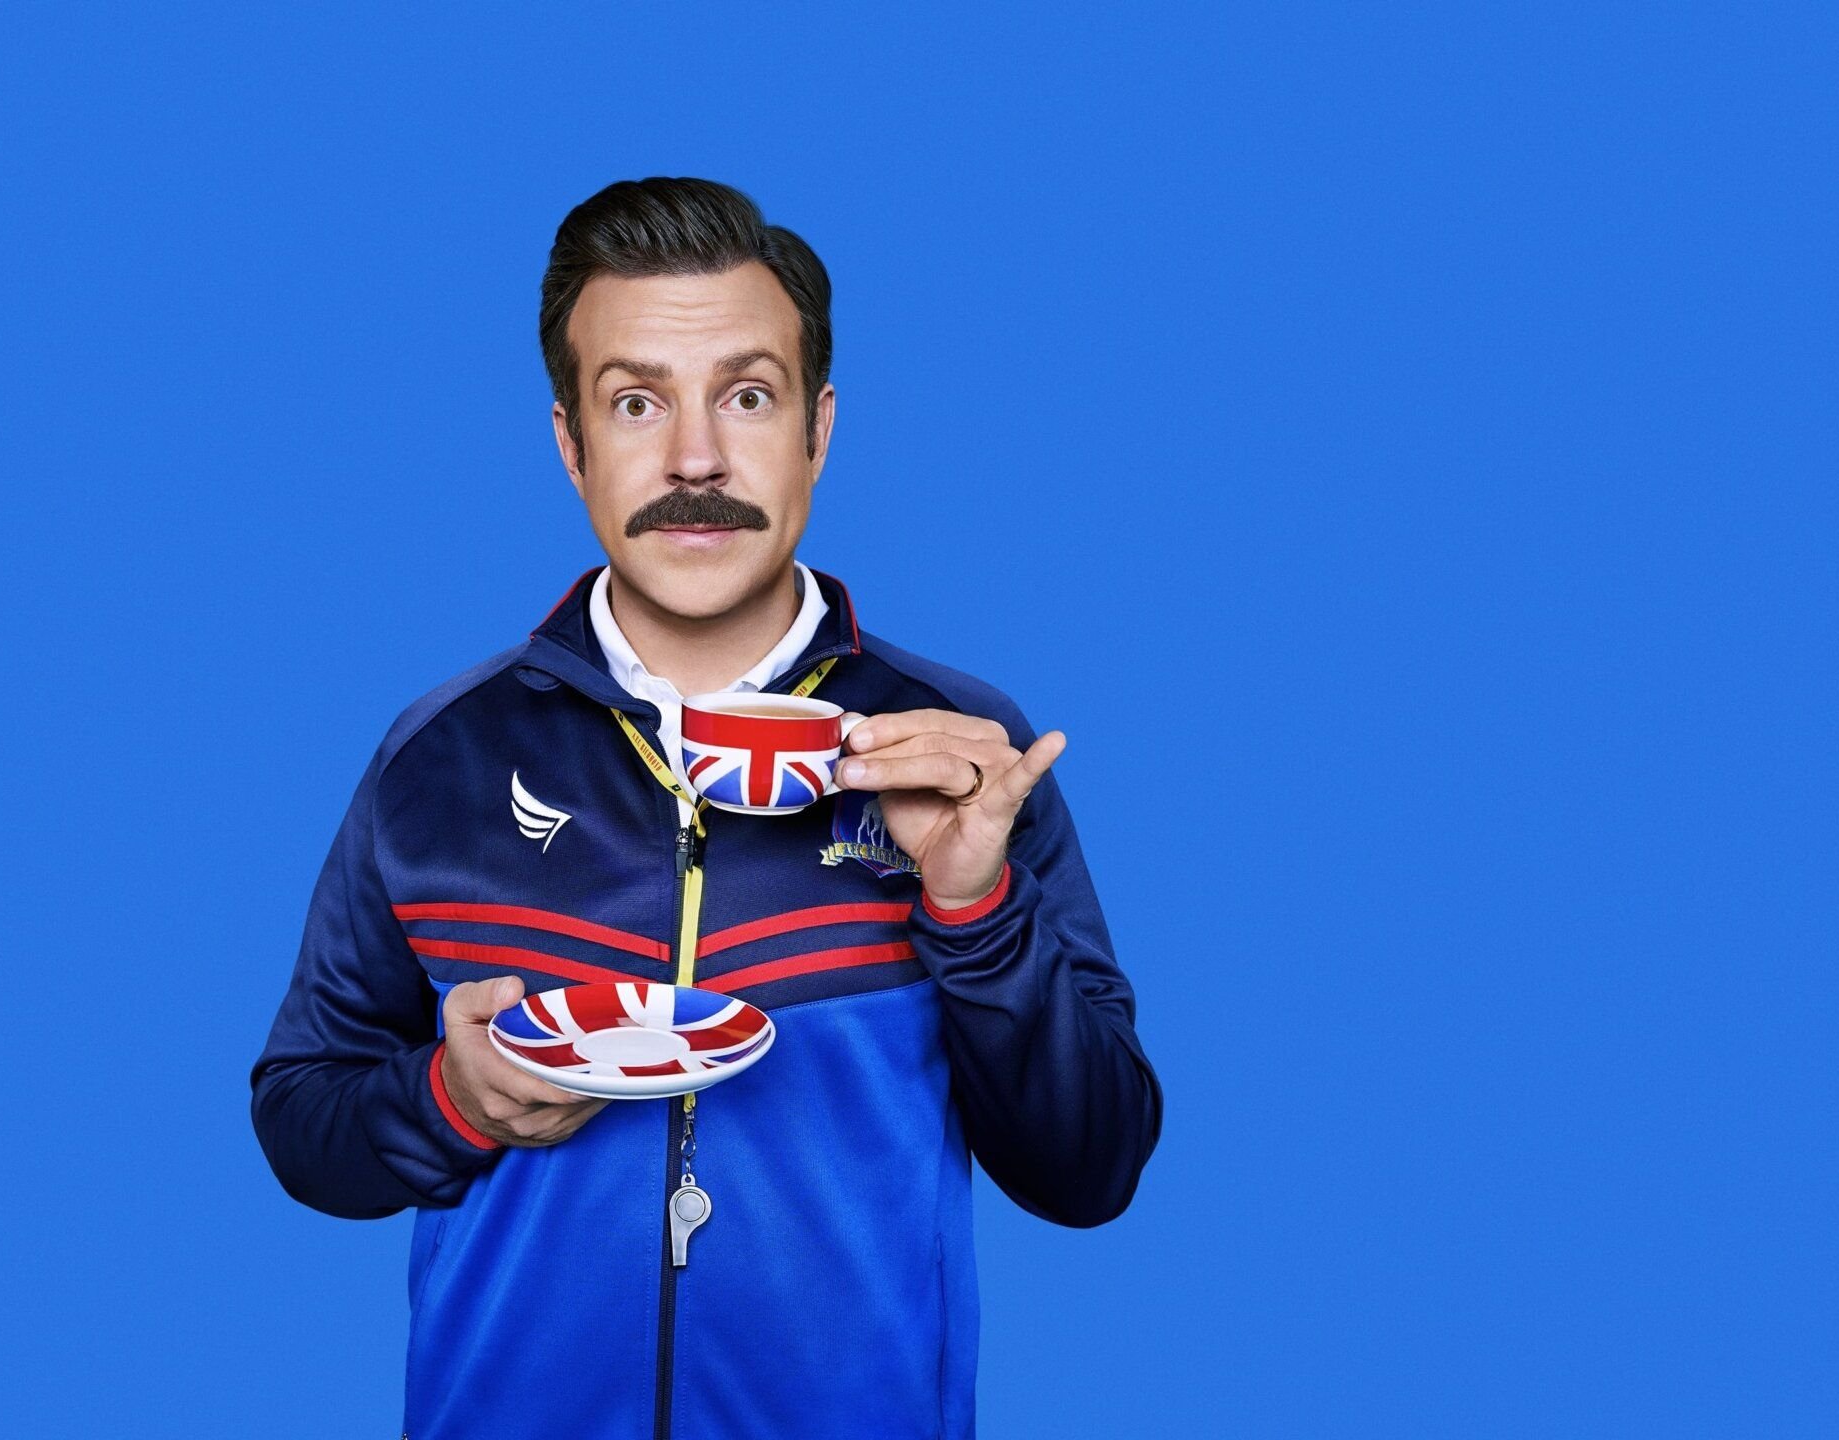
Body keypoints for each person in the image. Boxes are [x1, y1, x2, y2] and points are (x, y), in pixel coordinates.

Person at [249, 176, 1162, 1440]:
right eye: (636, 402)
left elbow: (1090, 1168)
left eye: (746, 396)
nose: (695, 460)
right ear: (570, 442)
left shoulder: (957, 755)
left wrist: (974, 907)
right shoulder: (439, 760)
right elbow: (302, 1117)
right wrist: (451, 1099)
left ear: (817, 430)